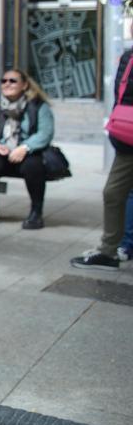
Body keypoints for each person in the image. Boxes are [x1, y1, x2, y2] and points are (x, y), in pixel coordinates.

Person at [71, 45, 133, 271]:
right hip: (128, 141)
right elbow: (122, 95)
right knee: (113, 193)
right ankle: (109, 251)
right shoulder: (129, 57)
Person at [0, 68, 55, 229]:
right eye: (4, 81)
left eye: (12, 81)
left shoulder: (39, 107)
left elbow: (45, 133)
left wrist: (25, 147)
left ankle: (36, 213)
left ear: (24, 85)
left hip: (26, 153)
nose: (7, 84)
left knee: (34, 165)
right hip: (1, 152)